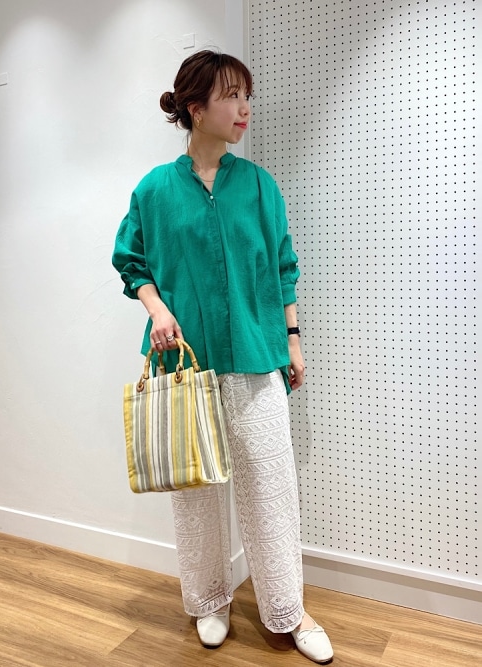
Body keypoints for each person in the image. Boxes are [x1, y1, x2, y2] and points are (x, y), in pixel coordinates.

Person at [112, 49, 334, 664]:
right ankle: (209, 600)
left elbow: (284, 266)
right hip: (186, 366)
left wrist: (292, 339)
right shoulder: (154, 190)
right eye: (231, 96)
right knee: (197, 493)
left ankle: (288, 609)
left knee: (270, 489)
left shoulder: (259, 186)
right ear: (195, 107)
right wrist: (156, 308)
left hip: (257, 357)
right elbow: (131, 261)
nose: (244, 108)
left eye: (246, 96)